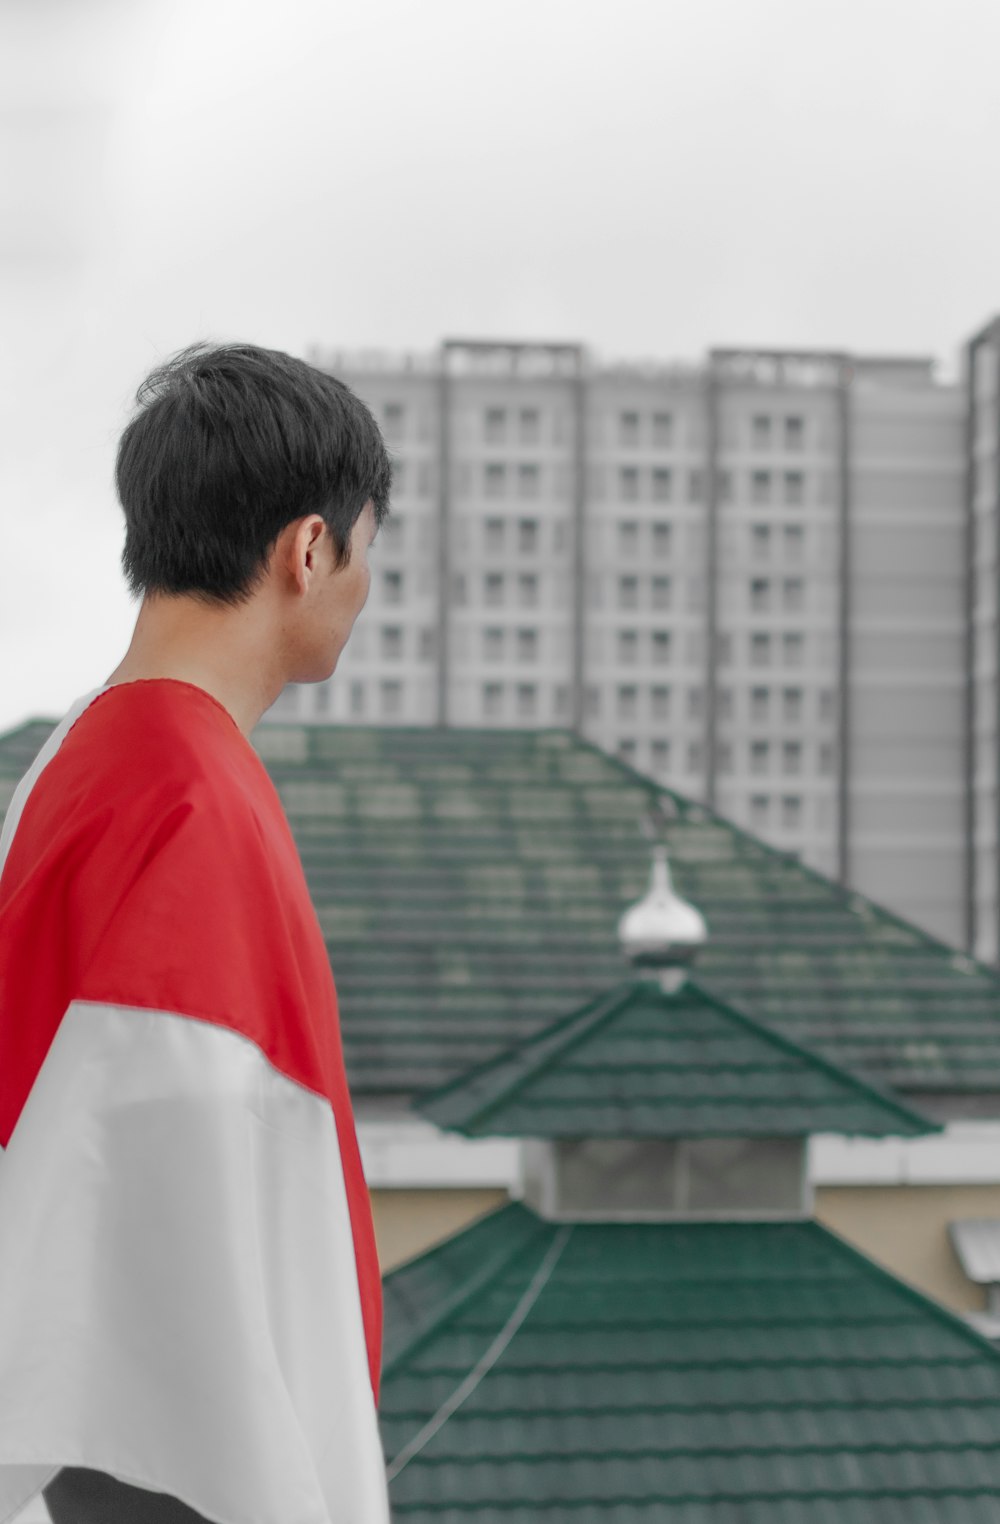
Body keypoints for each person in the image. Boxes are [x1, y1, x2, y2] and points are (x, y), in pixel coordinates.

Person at [0, 343, 393, 1524]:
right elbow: (186, 1279)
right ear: (308, 548)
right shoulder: (195, 801)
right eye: (369, 549)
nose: (367, 585)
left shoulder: (80, 756)